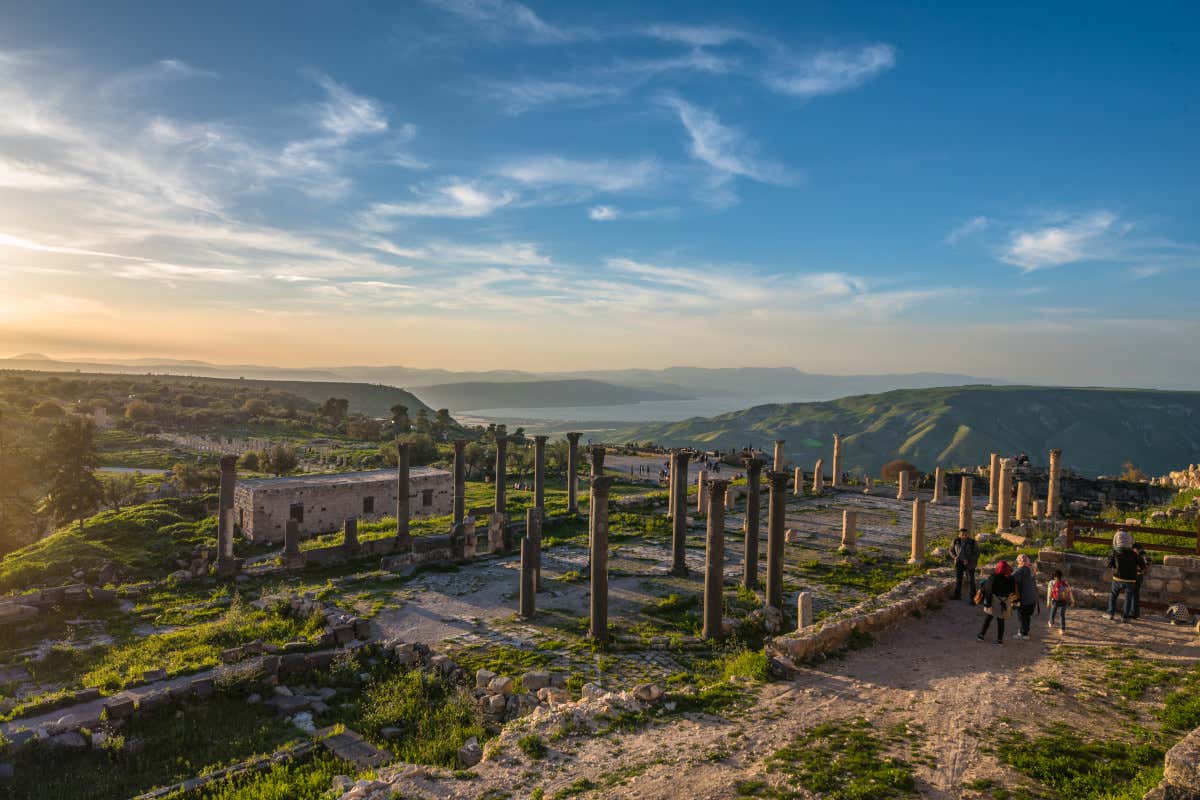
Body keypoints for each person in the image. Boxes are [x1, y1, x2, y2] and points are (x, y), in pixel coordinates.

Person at [1106, 530, 1145, 622]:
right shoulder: (1134, 554)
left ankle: (1110, 614)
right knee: (1128, 598)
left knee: (1113, 595)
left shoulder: (1114, 552)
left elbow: (1109, 564)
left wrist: (1114, 566)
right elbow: (1142, 565)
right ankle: (1125, 617)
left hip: (1117, 578)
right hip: (1130, 580)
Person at [977, 560, 1017, 644]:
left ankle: (981, 635)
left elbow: (988, 588)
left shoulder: (994, 577)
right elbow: (1013, 590)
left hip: (994, 600)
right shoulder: (1011, 578)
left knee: (988, 618)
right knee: (1001, 620)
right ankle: (999, 640)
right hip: (1004, 601)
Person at [1012, 554, 1039, 640]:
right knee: (1027, 616)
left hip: (1024, 598)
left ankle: (1023, 633)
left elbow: (1011, 579)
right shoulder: (1032, 569)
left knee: (1021, 616)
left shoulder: (1021, 570)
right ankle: (1025, 632)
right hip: (1032, 598)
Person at [949, 528, 979, 602]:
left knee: (971, 580)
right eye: (962, 535)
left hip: (970, 563)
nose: (964, 536)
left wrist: (968, 560)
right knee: (958, 579)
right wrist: (954, 557)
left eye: (965, 535)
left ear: (968, 535)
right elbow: (950, 550)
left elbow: (976, 553)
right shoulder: (956, 541)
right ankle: (957, 595)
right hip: (959, 562)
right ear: (959, 535)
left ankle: (973, 598)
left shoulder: (972, 542)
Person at [1046, 569, 1074, 634]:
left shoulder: (1051, 582)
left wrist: (1048, 601)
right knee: (1062, 615)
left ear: (1054, 576)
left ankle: (1051, 622)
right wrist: (1072, 601)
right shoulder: (1065, 583)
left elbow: (1049, 592)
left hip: (1055, 600)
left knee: (1053, 612)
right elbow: (1069, 592)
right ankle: (1062, 629)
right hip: (1064, 601)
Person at [1131, 543, 1147, 619]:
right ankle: (1135, 613)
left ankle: (1133, 612)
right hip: (1139, 575)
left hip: (1135, 575)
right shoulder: (1143, 554)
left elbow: (1142, 565)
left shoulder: (1137, 555)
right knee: (1135, 595)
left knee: (1133, 594)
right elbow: (1145, 565)